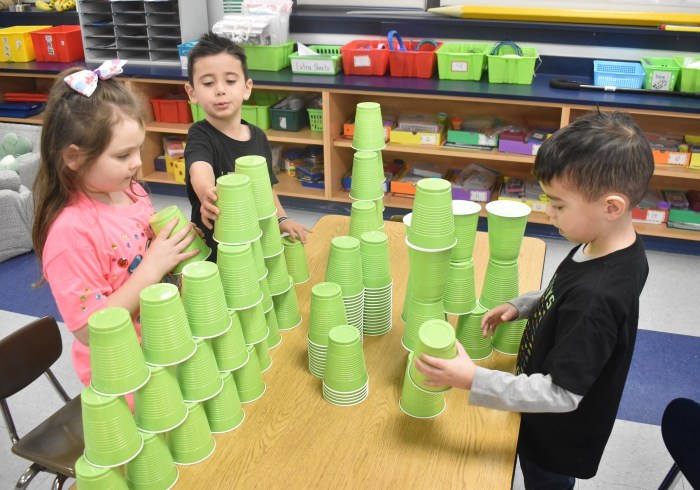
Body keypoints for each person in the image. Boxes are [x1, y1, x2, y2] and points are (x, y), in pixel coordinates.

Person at [414, 111, 654, 489]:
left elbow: (561, 394)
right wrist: (524, 304)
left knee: (545, 481)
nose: (548, 212)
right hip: (542, 396)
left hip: (556, 435)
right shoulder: (615, 245)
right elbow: (566, 285)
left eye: (558, 205)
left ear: (611, 207)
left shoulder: (597, 300)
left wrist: (473, 379)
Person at [32, 61, 200, 387]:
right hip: (125, 373)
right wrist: (152, 267)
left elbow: (142, 250)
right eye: (123, 156)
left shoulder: (131, 191)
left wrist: (171, 246)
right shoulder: (71, 234)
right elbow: (90, 330)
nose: (138, 162)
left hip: (164, 340)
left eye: (138, 148)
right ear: (74, 157)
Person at [184, 32, 310, 261]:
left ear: (247, 88)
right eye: (208, 83)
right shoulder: (200, 135)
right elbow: (199, 168)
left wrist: (281, 219)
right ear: (192, 92)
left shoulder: (258, 136)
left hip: (257, 238)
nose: (220, 90)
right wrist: (206, 194)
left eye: (230, 81)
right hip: (218, 247)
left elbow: (266, 189)